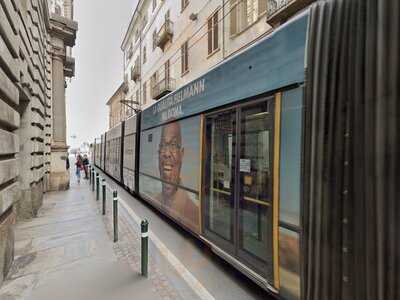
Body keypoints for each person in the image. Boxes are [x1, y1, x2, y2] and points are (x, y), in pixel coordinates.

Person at [156, 121, 199, 232]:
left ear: (182, 154)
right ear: (158, 152)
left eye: (174, 145)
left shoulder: (194, 214)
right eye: (163, 145)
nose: (167, 154)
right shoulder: (155, 198)